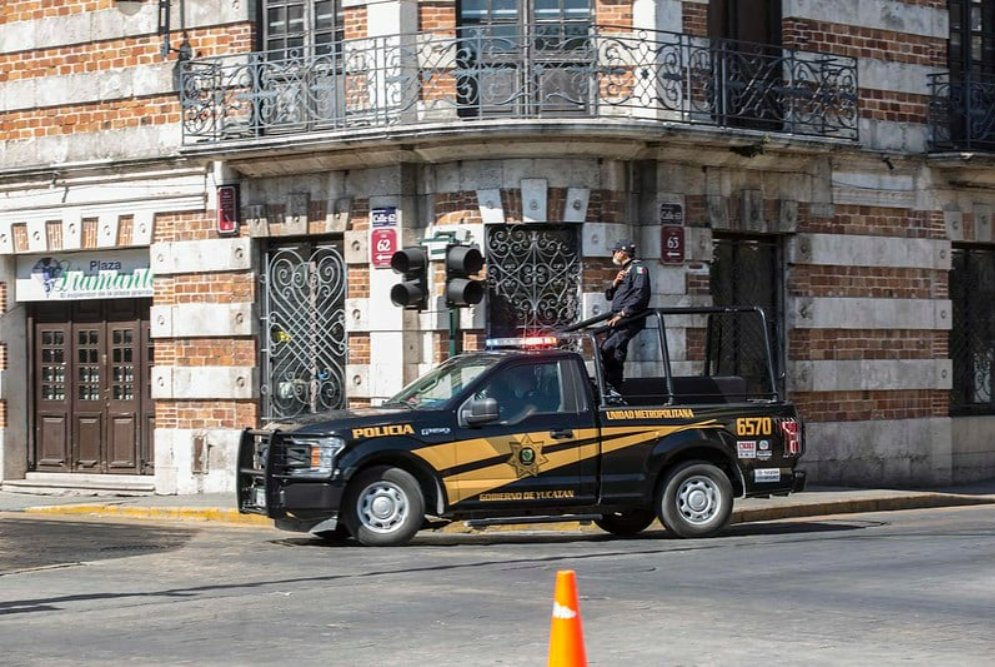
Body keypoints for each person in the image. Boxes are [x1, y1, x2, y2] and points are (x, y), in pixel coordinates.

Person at [601, 239, 651, 393]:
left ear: (622, 252)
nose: (613, 254)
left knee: (606, 348)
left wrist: (623, 314)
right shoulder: (625, 270)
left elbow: (641, 295)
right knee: (617, 353)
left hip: (628, 319)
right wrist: (614, 284)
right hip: (617, 319)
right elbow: (609, 296)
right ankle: (613, 388)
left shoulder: (638, 269)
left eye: (615, 251)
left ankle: (608, 386)